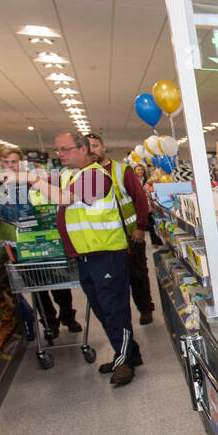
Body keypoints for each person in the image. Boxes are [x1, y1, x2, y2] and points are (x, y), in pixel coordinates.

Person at [31, 132, 145, 386]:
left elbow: (62, 199)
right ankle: (127, 354)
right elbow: (41, 196)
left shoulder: (96, 175)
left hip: (106, 254)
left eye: (65, 149)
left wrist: (31, 179)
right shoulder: (70, 175)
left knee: (114, 310)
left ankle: (124, 362)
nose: (60, 154)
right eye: (58, 149)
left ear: (83, 149)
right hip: (85, 256)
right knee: (103, 310)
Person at [0, 145, 80, 338]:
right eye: (5, 162)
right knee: (36, 287)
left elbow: (51, 202)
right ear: (0, 163)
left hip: (46, 240)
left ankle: (68, 316)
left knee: (61, 280)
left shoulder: (35, 181)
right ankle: (49, 323)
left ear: (20, 162)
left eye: (13, 161)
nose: (10, 166)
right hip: (17, 246)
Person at [87, 134, 155, 325]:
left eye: (95, 145)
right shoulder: (85, 174)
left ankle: (145, 309)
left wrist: (141, 227)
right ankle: (120, 316)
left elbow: (139, 199)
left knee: (137, 275)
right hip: (103, 239)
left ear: (103, 146)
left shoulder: (120, 170)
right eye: (88, 146)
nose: (92, 150)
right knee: (113, 279)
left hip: (130, 235)